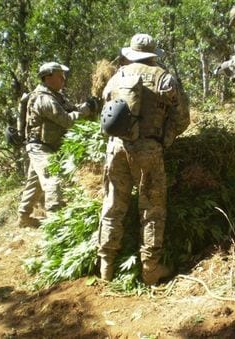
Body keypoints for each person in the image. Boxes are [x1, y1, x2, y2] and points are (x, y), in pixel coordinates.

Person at [98, 33, 190, 285]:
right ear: (153, 55)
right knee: (152, 208)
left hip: (116, 147)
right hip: (148, 149)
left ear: (130, 52)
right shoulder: (165, 78)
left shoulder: (118, 76)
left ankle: (105, 266)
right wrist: (164, 139)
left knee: (113, 204)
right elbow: (182, 119)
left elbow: (105, 114)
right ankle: (151, 269)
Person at [17, 62, 97, 227]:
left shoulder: (56, 95)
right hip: (40, 147)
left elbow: (71, 110)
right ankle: (56, 222)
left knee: (35, 183)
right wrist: (86, 110)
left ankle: (23, 218)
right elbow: (67, 121)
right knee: (53, 179)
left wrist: (86, 106)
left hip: (47, 146)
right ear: (47, 77)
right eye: (59, 75)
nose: (63, 78)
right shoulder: (44, 98)